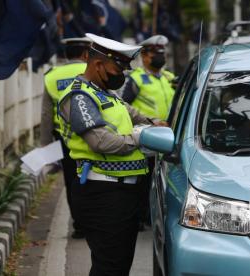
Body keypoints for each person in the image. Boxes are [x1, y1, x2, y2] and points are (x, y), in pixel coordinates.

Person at [57, 33, 160, 276]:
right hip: (103, 194)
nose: (122, 74)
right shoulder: (79, 96)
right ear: (98, 64)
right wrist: (141, 136)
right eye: (119, 67)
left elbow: (131, 112)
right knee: (110, 267)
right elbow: (100, 141)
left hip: (123, 194)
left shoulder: (104, 93)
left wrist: (155, 122)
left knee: (119, 264)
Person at [121, 34, 175, 230]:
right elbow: (124, 106)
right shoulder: (136, 79)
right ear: (144, 56)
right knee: (144, 180)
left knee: (165, 179)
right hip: (147, 136)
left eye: (162, 53)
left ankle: (158, 213)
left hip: (169, 135)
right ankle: (143, 216)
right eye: (155, 54)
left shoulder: (169, 78)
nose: (160, 57)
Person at [40, 37, 91, 239]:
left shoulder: (52, 76)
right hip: (94, 133)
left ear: (65, 54)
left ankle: (80, 225)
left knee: (72, 180)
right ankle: (95, 221)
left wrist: (45, 145)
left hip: (65, 138)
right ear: (86, 54)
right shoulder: (92, 72)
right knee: (94, 177)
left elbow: (46, 114)